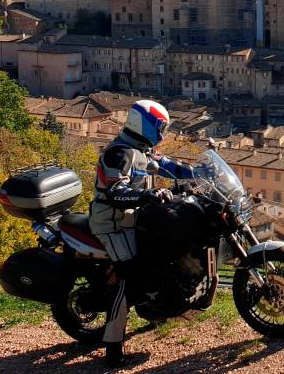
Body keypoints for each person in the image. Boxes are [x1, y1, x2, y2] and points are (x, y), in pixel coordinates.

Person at [89, 100, 196, 368]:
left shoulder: (143, 150)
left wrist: (200, 175)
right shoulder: (119, 154)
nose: (162, 132)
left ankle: (157, 308)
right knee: (129, 279)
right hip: (112, 223)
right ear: (145, 125)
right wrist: (148, 194)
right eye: (160, 127)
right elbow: (115, 192)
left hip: (134, 220)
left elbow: (170, 167)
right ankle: (113, 350)